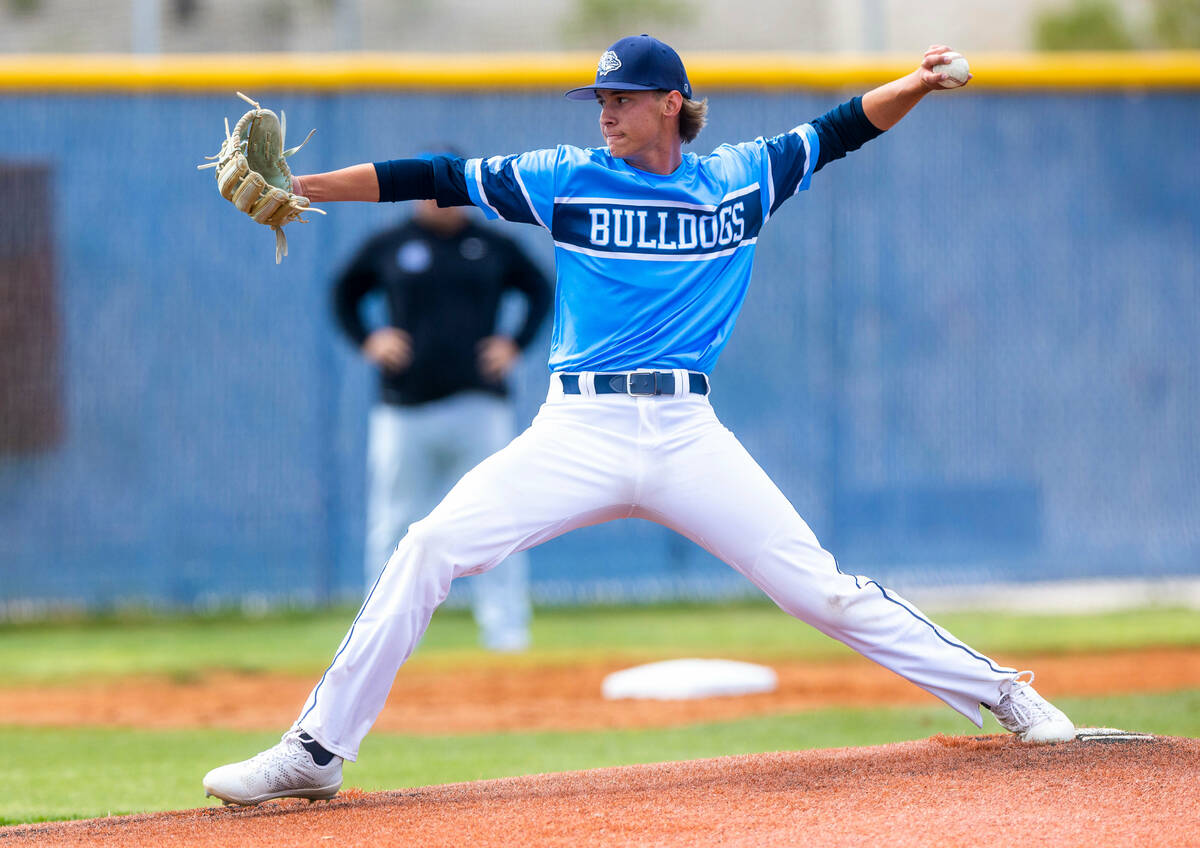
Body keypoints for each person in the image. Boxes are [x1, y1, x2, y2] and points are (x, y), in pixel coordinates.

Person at [203, 35, 1075, 807]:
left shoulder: (742, 178)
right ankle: (316, 751)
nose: (605, 113)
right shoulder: (565, 178)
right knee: (428, 546)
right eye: (600, 100)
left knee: (820, 589)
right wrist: (310, 184)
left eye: (620, 99)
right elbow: (433, 177)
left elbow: (842, 128)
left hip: (688, 433)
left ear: (670, 103)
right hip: (576, 430)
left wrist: (914, 84)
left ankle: (1006, 694)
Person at [332, 184, 552, 652]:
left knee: (499, 518)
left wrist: (515, 343)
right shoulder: (391, 244)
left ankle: (507, 632)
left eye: (443, 191)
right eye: (426, 192)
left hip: (479, 405)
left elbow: (540, 289)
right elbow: (343, 292)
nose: (435, 200)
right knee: (393, 522)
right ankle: (380, 638)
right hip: (404, 408)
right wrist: (368, 339)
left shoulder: (491, 245)